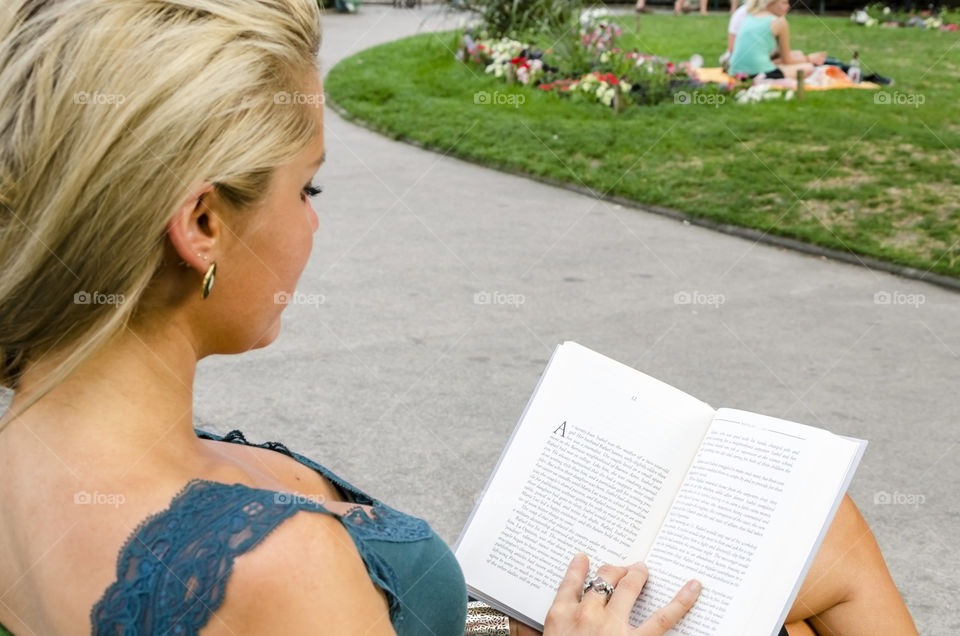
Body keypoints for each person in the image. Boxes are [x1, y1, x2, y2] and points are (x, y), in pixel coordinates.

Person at [0, 1, 920, 636]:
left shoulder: (37, 451)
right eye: (308, 188)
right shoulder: (278, 570)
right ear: (202, 224)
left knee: (816, 541)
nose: (314, 223)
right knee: (816, 555)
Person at [728, 0, 827, 79]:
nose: (788, 6)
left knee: (798, 54)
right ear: (771, 3)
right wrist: (809, 58)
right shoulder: (779, 22)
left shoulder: (751, 15)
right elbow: (787, 61)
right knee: (808, 67)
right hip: (756, 73)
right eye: (784, 3)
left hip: (734, 70)